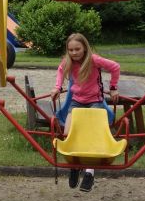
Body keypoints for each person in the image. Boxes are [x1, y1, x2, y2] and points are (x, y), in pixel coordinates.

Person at [51, 32, 121, 192]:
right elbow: (61, 70)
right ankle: (75, 166)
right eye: (71, 50)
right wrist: (57, 86)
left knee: (92, 137)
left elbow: (115, 67)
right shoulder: (68, 61)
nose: (74, 53)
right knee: (68, 133)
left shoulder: (94, 60)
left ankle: (89, 172)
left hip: (94, 101)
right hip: (76, 101)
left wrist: (113, 88)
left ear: (85, 48)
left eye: (77, 49)